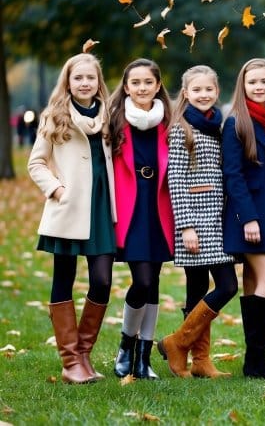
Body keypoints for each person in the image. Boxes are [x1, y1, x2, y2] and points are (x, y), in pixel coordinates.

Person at [28, 53, 116, 384]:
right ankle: (70, 362)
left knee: (102, 280)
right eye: (77, 78)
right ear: (68, 81)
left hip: (102, 209)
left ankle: (83, 354)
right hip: (68, 208)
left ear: (98, 82)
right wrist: (57, 190)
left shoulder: (109, 115)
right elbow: (36, 163)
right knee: (63, 278)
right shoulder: (55, 116)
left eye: (90, 78)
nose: (84, 83)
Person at [156, 65, 237, 378]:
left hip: (217, 218)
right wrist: (186, 225)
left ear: (216, 92)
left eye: (209, 90)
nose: (204, 95)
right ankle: (180, 343)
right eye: (197, 90)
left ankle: (198, 360)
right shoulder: (181, 128)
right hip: (194, 222)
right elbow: (175, 179)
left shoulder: (218, 125)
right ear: (186, 93)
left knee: (200, 289)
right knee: (225, 285)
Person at [222, 58, 265, 380]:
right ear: (243, 86)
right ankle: (257, 360)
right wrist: (248, 218)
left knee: (253, 283)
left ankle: (253, 362)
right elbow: (232, 175)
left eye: (264, 81)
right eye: (252, 82)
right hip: (249, 217)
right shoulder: (237, 121)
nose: (259, 87)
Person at [108, 58, 174, 380]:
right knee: (143, 281)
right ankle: (125, 345)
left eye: (148, 82)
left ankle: (143, 360)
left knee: (155, 283)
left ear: (158, 86)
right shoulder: (116, 122)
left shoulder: (169, 122)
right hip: (131, 208)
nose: (142, 88)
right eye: (135, 83)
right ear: (126, 87)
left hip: (160, 208)